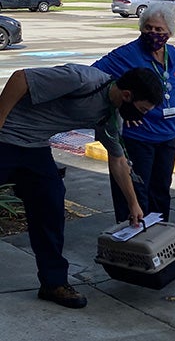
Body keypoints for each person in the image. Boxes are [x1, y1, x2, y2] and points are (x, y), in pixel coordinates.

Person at [0, 64, 162, 309]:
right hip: (5, 139)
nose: (142, 117)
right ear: (127, 95)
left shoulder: (110, 114)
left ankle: (53, 283)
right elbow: (21, 78)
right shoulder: (83, 80)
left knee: (51, 206)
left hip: (35, 148)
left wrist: (133, 204)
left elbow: (117, 160)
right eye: (142, 110)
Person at [93, 3, 175, 223]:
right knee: (136, 196)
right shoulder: (127, 54)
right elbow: (94, 78)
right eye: (149, 28)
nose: (154, 34)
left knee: (160, 193)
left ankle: (160, 240)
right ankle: (132, 244)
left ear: (169, 33)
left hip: (167, 136)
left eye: (160, 30)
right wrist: (121, 110)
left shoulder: (172, 54)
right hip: (139, 139)